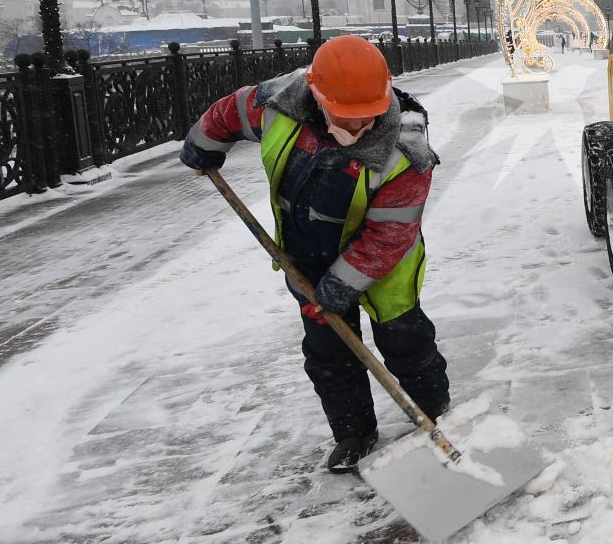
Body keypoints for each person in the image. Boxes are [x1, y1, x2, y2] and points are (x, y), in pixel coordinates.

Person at [179, 35, 448, 471]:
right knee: (328, 350)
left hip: (384, 266)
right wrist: (204, 143)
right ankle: (353, 431)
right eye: (347, 116)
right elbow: (229, 111)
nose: (360, 127)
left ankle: (434, 414)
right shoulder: (277, 104)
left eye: (369, 117)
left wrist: (341, 286)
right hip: (306, 253)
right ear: (317, 96)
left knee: (406, 340)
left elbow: (388, 237)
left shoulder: (407, 150)